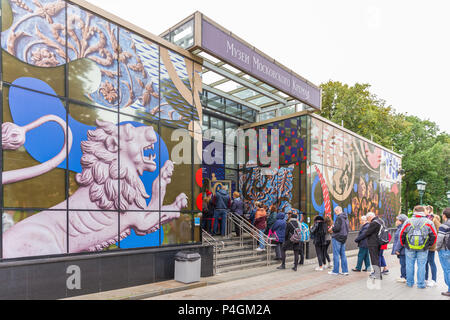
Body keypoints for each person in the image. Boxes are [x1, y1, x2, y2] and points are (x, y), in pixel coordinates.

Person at [400, 205, 437, 289]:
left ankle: (409, 283)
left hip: (409, 247)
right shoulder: (429, 222)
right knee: (422, 265)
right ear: (423, 212)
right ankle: (421, 284)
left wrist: (404, 244)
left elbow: (402, 234)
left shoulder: (408, 221)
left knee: (409, 265)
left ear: (414, 211)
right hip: (423, 248)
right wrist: (429, 245)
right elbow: (434, 235)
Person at [357, 212, 383, 280]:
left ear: (370, 217)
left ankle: (377, 274)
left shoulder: (374, 223)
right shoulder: (380, 221)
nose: (368, 221)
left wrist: (358, 239)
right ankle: (377, 273)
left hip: (373, 243)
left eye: (368, 219)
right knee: (376, 258)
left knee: (374, 259)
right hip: (378, 242)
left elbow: (367, 233)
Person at [329, 206, 350, 276]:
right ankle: (345, 271)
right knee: (343, 254)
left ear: (338, 210)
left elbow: (337, 229)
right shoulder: (346, 217)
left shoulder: (339, 217)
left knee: (336, 255)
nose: (335, 213)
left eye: (335, 212)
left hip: (337, 237)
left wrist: (332, 227)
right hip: (344, 237)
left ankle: (335, 271)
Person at [425, 207, 441, 287]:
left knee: (431, 262)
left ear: (429, 210)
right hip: (424, 245)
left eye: (425, 210)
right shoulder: (424, 218)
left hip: (431, 245)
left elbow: (438, 230)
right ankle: (425, 279)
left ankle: (434, 280)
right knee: (425, 262)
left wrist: (433, 241)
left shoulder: (434, 219)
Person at [436, 208, 450, 297]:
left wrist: (437, 248)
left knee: (447, 270)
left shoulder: (444, 226)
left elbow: (440, 239)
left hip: (445, 250)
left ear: (444, 215)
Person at [392, 214, 408, 283]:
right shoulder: (401, 228)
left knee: (403, 264)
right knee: (403, 263)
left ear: (401, 221)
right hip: (403, 249)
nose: (396, 221)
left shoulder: (402, 228)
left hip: (402, 250)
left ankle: (404, 277)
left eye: (397, 220)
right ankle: (404, 276)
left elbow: (400, 240)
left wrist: (397, 249)